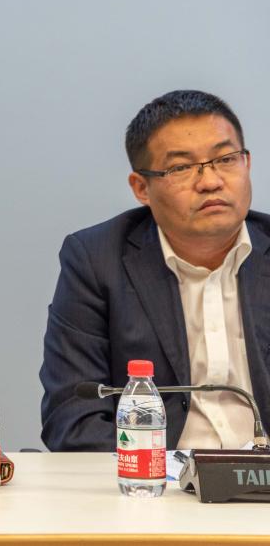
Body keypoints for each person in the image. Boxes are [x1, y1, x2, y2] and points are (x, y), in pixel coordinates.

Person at [40, 90, 268, 451]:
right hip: (155, 478)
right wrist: (157, 476)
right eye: (181, 168)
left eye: (226, 159)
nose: (210, 181)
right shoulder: (97, 260)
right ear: (141, 188)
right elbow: (73, 418)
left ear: (247, 163)